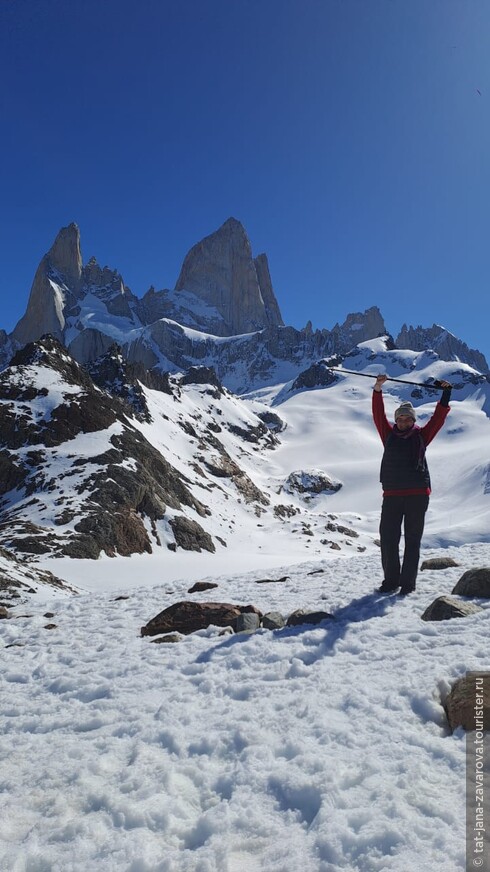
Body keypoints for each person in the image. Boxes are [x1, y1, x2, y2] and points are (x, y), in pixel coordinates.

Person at [372, 374, 452, 595]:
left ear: (413, 421)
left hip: (417, 495)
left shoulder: (422, 436)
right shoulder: (388, 434)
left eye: (407, 419)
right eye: (400, 418)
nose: (403, 422)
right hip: (392, 495)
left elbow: (438, 419)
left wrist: (445, 394)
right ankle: (391, 581)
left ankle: (408, 584)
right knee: (388, 538)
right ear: (395, 420)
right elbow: (378, 414)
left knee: (412, 541)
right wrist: (378, 388)